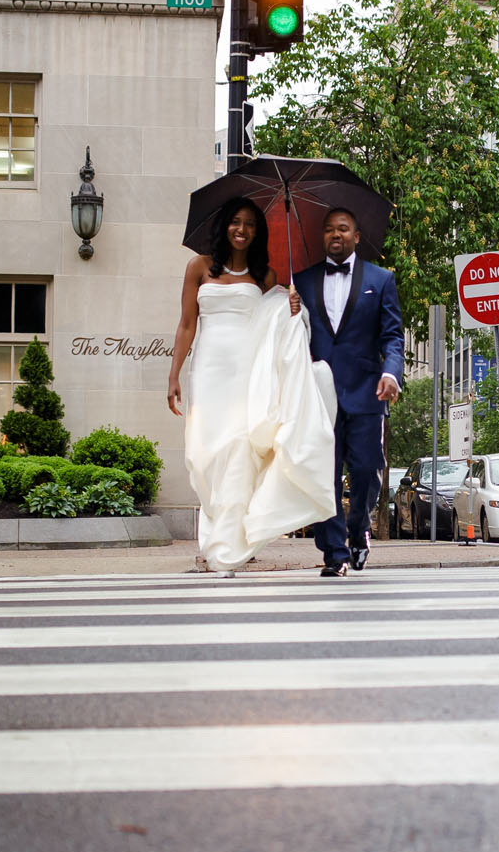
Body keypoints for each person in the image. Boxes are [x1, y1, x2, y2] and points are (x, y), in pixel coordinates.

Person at [168, 197, 336, 574]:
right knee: (201, 456)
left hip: (246, 375)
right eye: (235, 222)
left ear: (257, 233)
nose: (241, 230)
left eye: (249, 225)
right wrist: (174, 373)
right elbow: (186, 325)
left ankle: (226, 542)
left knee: (237, 454)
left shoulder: (267, 277)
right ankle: (217, 527)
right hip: (208, 372)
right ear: (224, 226)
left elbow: (276, 325)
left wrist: (293, 307)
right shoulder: (198, 267)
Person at [293, 207, 403, 577]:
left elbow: (392, 336)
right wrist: (289, 311)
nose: (335, 235)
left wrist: (391, 373)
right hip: (319, 396)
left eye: (343, 229)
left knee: (367, 470)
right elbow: (294, 337)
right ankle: (335, 554)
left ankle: (359, 530)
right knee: (323, 475)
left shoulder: (381, 279)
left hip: (368, 393)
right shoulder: (303, 281)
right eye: (328, 230)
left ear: (357, 236)